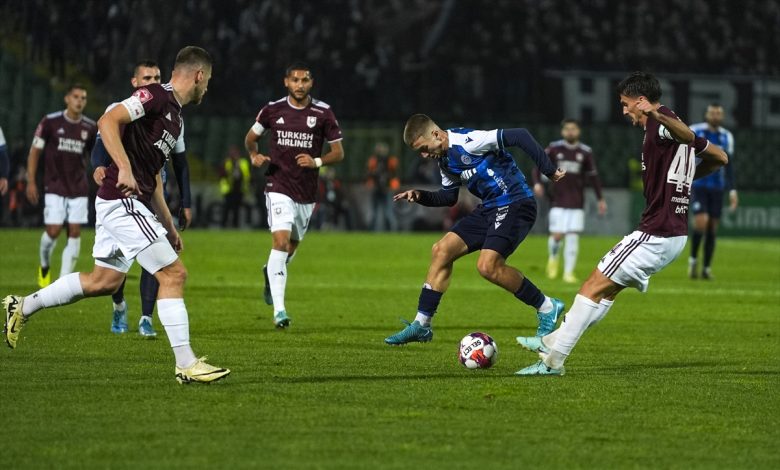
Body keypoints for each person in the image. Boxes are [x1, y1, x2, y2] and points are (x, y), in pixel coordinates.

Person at [3, 46, 230, 384]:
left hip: (126, 202)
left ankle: (22, 306)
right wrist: (122, 166)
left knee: (103, 281)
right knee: (173, 274)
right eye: (208, 81)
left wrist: (169, 226)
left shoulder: (176, 117)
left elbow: (153, 178)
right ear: (199, 76)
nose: (207, 87)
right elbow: (108, 120)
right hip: (122, 201)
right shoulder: (156, 95)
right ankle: (186, 364)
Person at [515, 72, 728, 376]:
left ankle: (553, 362)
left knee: (591, 286)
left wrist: (657, 115)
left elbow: (686, 137)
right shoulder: (669, 124)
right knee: (607, 292)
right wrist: (686, 177)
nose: (624, 110)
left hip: (657, 232)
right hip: (672, 234)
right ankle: (551, 341)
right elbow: (720, 157)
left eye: (626, 104)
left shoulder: (662, 123)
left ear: (642, 102)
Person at [384, 114, 567, 345]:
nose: (424, 155)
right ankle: (422, 325)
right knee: (442, 250)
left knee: (487, 266)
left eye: (424, 148)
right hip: (490, 207)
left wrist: (548, 170)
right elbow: (448, 197)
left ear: (436, 134)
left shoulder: (469, 141)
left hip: (516, 202)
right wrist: (420, 195)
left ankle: (547, 307)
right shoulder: (445, 161)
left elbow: (520, 135)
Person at [91, 59, 192, 337]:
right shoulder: (122, 107)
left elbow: (176, 166)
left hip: (146, 192)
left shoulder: (174, 116)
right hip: (121, 193)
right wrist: (106, 166)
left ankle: (146, 317)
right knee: (113, 279)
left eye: (157, 77)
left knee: (151, 262)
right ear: (134, 82)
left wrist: (182, 207)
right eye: (147, 78)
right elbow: (103, 133)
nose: (153, 82)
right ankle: (120, 305)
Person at [244, 62, 344, 328]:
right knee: (280, 242)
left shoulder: (323, 113)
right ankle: (280, 311)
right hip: (278, 185)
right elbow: (250, 138)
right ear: (286, 82)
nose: (300, 85)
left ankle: (270, 272)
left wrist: (316, 162)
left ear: (311, 83)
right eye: (295, 80)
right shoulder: (272, 109)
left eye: (305, 80)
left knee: (290, 247)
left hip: (306, 192)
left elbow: (338, 152)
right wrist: (254, 155)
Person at [26, 84, 97, 288]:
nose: (79, 101)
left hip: (78, 188)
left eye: (83, 98)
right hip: (54, 186)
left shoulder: (90, 127)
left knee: (74, 231)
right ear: (67, 98)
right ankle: (44, 264)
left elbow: (96, 156)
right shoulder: (50, 122)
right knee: (53, 231)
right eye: (76, 97)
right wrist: (31, 181)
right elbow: (35, 152)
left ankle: (62, 282)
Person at [533, 119, 607, 283]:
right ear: (562, 132)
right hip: (557, 199)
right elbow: (538, 165)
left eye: (573, 129)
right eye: (567, 129)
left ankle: (568, 272)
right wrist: (537, 183)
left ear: (578, 131)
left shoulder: (585, 152)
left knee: (573, 236)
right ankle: (553, 258)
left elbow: (593, 177)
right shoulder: (554, 148)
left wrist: (600, 198)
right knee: (557, 235)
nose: (570, 132)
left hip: (577, 201)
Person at [688, 104, 737, 280]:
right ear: (706, 114)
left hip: (717, 187)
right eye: (712, 113)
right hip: (698, 183)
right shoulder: (695, 130)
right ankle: (693, 260)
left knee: (712, 227)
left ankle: (706, 268)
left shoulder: (727, 136)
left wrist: (732, 190)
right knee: (701, 222)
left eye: (718, 113)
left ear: (722, 116)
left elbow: (729, 165)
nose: (715, 116)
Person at [365, 142, 400, 231]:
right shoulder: (374, 160)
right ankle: (372, 232)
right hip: (376, 188)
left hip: (387, 189)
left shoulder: (390, 160)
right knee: (374, 213)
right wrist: (374, 174)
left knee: (388, 212)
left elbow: (394, 174)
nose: (380, 151)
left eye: (382, 149)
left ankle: (392, 232)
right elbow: (368, 173)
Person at [219, 144, 251, 228]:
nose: (233, 154)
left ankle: (235, 225)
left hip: (239, 189)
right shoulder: (227, 162)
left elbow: (247, 175)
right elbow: (221, 174)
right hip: (228, 189)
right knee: (227, 208)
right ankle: (223, 224)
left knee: (237, 208)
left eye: (235, 153)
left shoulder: (243, 162)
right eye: (232, 153)